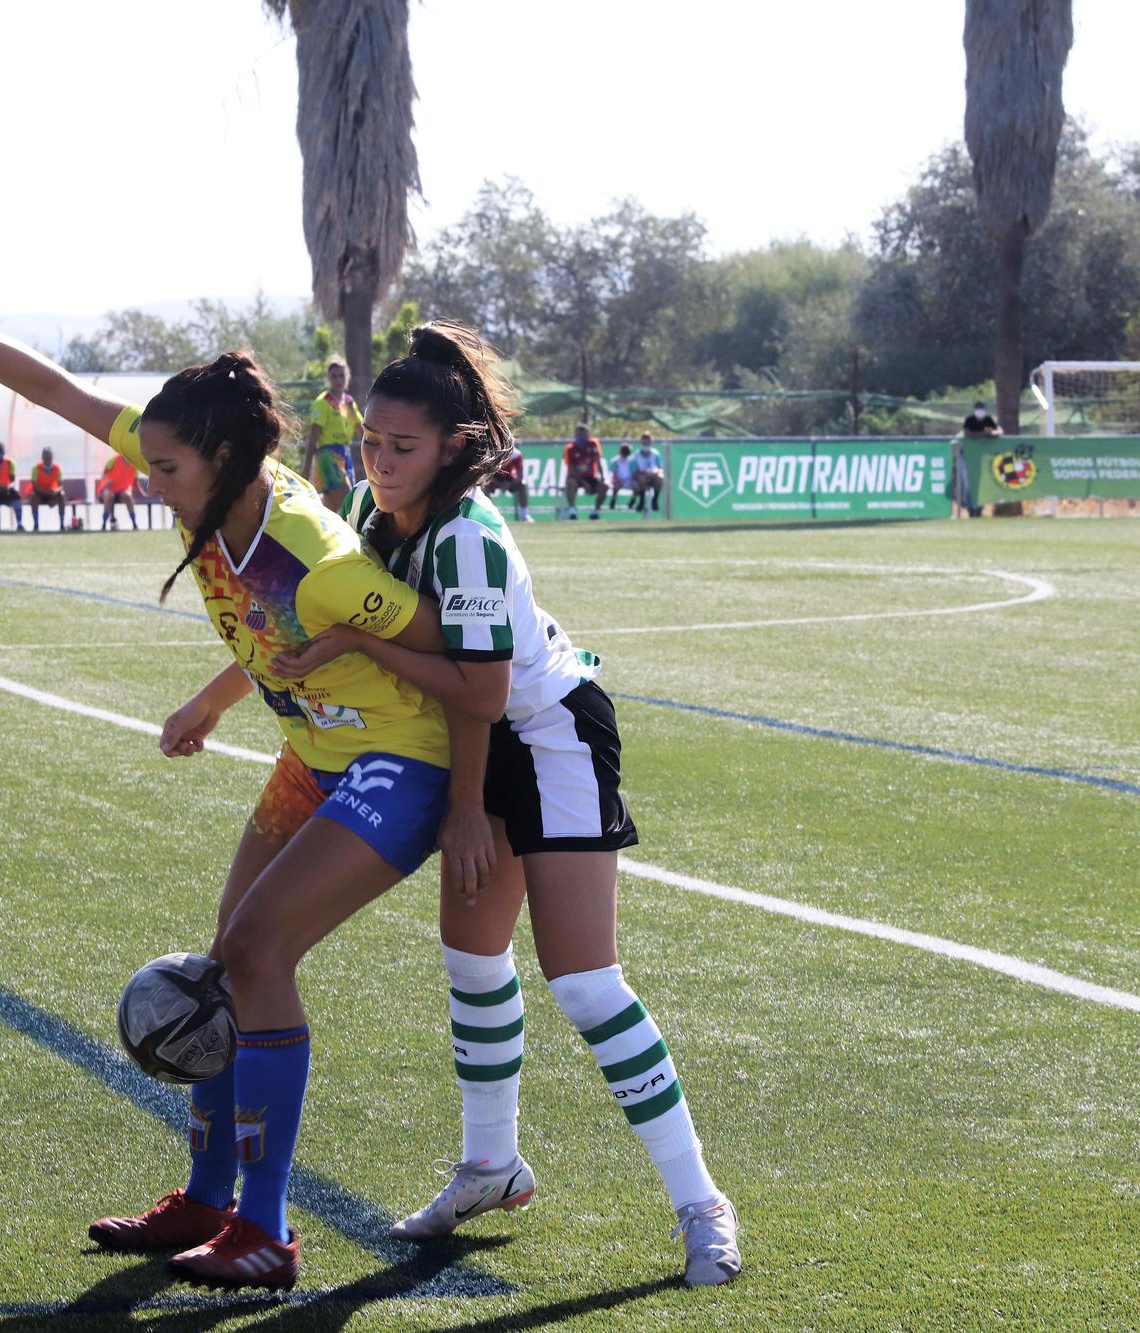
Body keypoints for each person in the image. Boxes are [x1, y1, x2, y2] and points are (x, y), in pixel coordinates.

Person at [0, 231, 462, 1291]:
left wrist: (380, 683)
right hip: (312, 753)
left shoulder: (314, 552)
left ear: (221, 460)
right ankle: (209, 1201)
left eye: (164, 467)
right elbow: (50, 385)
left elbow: (445, 648)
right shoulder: (214, 487)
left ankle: (264, 1230)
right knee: (227, 959)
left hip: (400, 761)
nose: (149, 477)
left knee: (257, 956)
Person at [270, 321, 741, 1288]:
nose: (381, 463)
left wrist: (467, 808)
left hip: (551, 733)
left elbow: (484, 691)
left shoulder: (470, 534)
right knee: (474, 958)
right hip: (476, 738)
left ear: (449, 445)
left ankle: (701, 1201)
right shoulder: (371, 508)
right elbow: (391, 647)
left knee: (583, 981)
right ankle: (491, 1168)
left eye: (404, 448)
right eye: (372, 444)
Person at [300, 356, 361, 515]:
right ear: (328, 378)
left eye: (341, 375)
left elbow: (362, 429)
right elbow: (312, 439)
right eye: (334, 376)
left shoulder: (348, 403)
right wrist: (305, 473)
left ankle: (309, 518)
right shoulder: (323, 403)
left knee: (330, 508)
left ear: (347, 377)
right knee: (347, 498)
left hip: (344, 453)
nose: (338, 379)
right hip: (328, 456)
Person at [562, 423, 605, 520]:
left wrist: (602, 477)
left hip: (590, 477)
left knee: (604, 487)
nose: (581, 437)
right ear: (575, 435)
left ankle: (595, 512)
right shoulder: (570, 449)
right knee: (570, 482)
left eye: (583, 434)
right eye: (579, 434)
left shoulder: (593, 444)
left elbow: (598, 462)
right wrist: (583, 483)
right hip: (576, 478)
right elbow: (571, 470)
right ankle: (572, 510)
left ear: (588, 435)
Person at [483, 441, 532, 522]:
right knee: (484, 486)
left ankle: (524, 514)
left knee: (522, 484)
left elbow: (520, 476)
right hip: (496, 477)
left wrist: (510, 483)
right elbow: (488, 475)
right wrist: (499, 484)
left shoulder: (516, 455)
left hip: (509, 478)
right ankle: (490, 515)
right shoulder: (494, 454)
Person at [101, 449, 141, 529]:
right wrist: (107, 480)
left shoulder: (135, 464)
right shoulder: (114, 460)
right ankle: (104, 524)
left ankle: (134, 524)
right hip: (107, 488)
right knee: (110, 496)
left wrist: (143, 492)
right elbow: (104, 474)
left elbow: (136, 482)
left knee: (128, 498)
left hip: (121, 491)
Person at [28, 447, 66, 531]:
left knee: (62, 496)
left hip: (52, 494)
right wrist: (45, 492)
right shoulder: (35, 468)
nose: (47, 460)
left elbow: (60, 486)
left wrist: (54, 492)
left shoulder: (57, 468)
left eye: (49, 458)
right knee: (33, 497)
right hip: (40, 494)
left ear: (52, 458)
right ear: (42, 458)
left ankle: (62, 524)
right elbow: (34, 486)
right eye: (45, 458)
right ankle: (36, 525)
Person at [630, 433, 665, 516]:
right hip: (641, 478)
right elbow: (634, 470)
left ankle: (655, 499)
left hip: (653, 476)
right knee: (641, 478)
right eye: (644, 439)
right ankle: (642, 500)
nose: (646, 441)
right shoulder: (636, 455)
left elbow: (660, 467)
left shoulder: (655, 453)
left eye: (648, 439)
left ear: (651, 441)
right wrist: (643, 472)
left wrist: (656, 472)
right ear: (641, 441)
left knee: (660, 478)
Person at [607, 443, 637, 510]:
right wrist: (618, 480)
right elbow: (613, 473)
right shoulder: (615, 461)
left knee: (637, 487)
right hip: (618, 481)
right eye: (624, 450)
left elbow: (635, 473)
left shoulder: (633, 461)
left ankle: (632, 502)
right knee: (615, 487)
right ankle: (613, 501)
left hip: (630, 481)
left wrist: (632, 480)